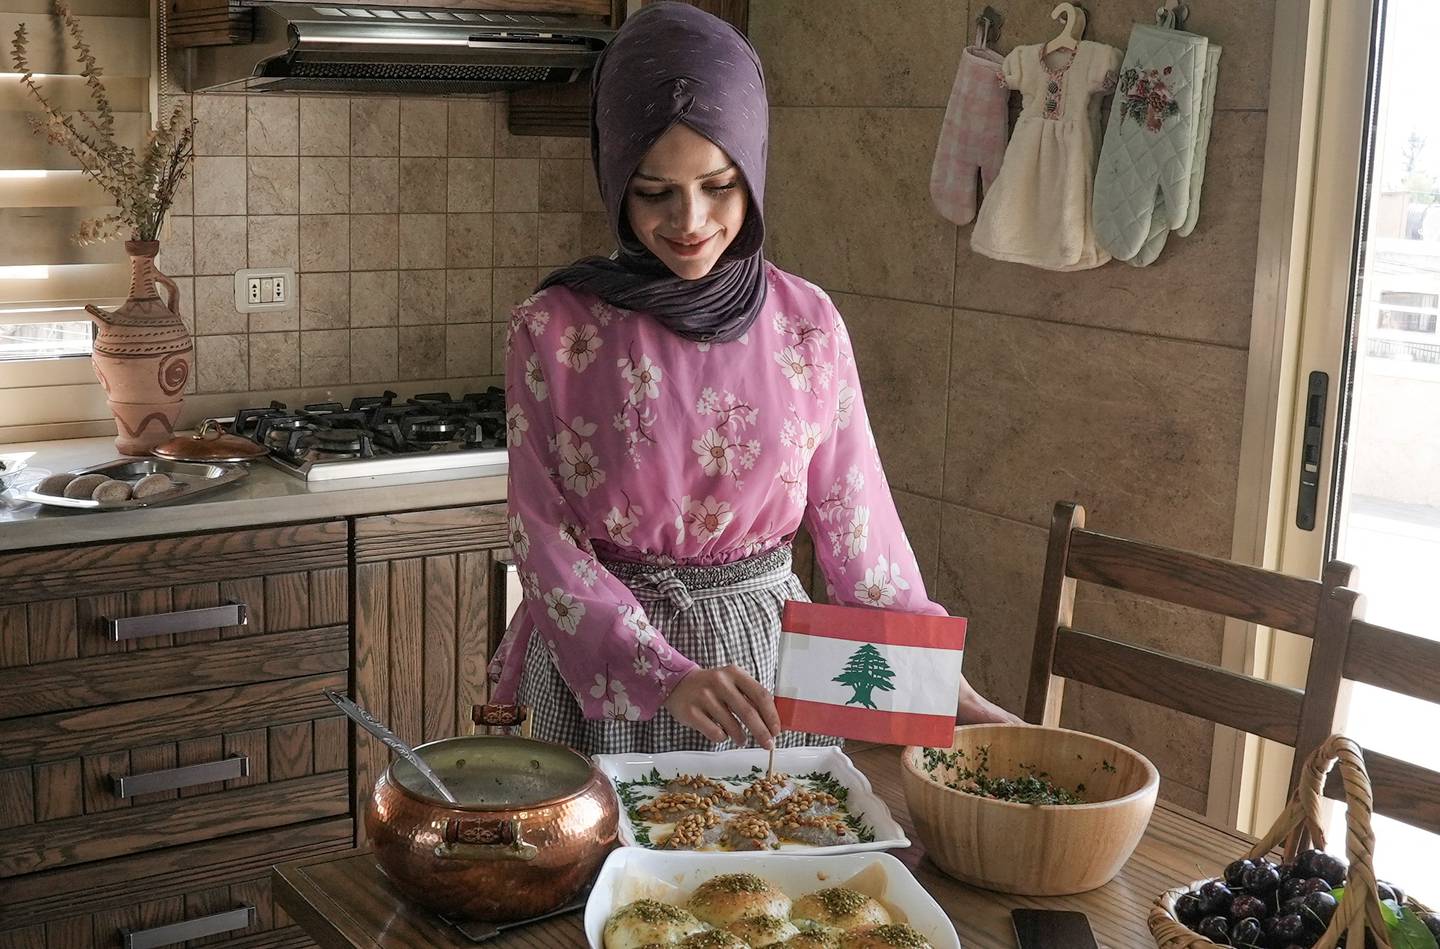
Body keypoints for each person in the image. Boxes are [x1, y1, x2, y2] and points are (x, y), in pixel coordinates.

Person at [487, 1, 1018, 755]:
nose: (690, 220)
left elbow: (859, 533)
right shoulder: (554, 329)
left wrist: (939, 681)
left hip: (765, 678)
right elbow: (542, 540)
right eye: (654, 191)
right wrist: (663, 673)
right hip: (604, 682)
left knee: (764, 873)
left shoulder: (807, 323)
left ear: (755, 162)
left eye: (720, 183)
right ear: (613, 176)